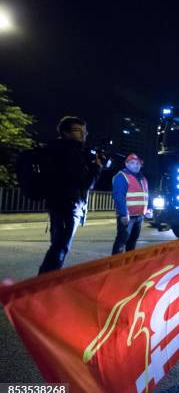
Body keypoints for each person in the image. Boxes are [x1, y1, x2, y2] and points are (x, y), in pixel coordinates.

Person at [38, 116, 102, 275]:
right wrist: (96, 167)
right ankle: (44, 283)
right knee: (60, 247)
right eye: (77, 131)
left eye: (84, 131)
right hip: (68, 204)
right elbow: (85, 183)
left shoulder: (55, 149)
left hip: (57, 203)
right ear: (65, 132)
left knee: (57, 244)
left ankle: (47, 280)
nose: (82, 134)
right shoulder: (70, 151)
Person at [111, 153, 148, 254]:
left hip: (139, 216)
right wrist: (124, 214)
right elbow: (119, 197)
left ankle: (128, 265)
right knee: (122, 241)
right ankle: (115, 264)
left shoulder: (142, 178)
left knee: (132, 243)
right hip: (127, 216)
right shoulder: (121, 176)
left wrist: (147, 210)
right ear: (126, 164)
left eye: (138, 163)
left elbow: (145, 196)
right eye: (132, 163)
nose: (136, 165)